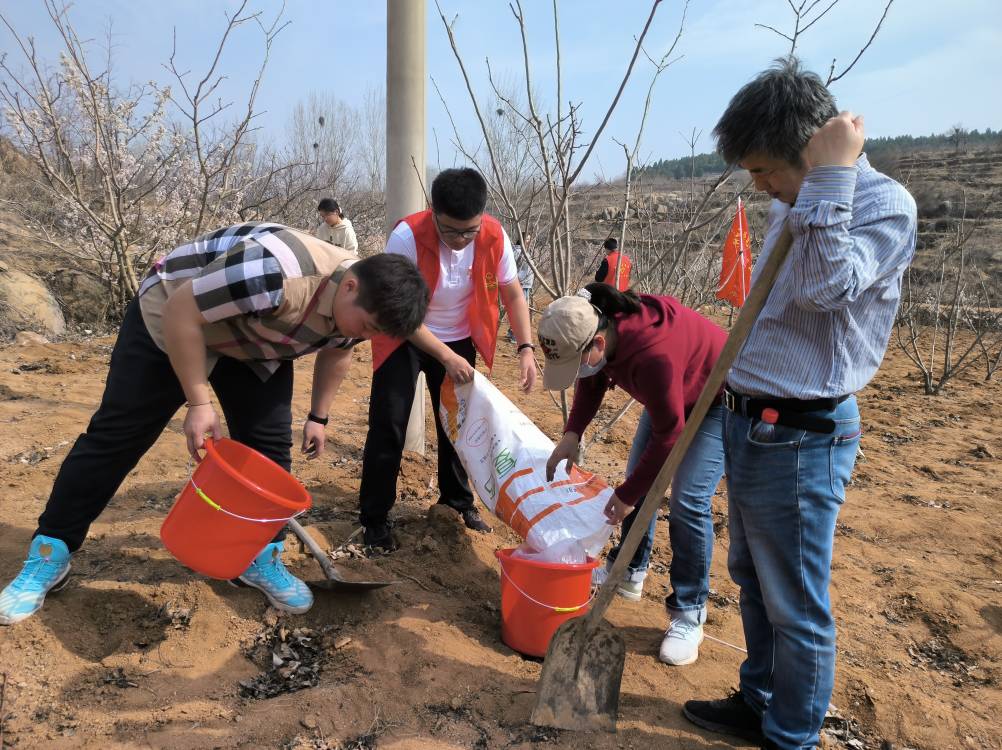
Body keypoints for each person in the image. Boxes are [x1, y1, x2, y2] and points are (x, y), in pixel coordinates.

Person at [0, 222, 429, 625]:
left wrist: (319, 416)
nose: (368, 335)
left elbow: (338, 350)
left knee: (270, 452)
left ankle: (259, 557)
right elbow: (181, 313)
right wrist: (197, 400)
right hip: (173, 318)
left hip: (253, 342)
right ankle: (50, 551)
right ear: (350, 287)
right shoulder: (273, 270)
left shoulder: (358, 309)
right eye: (368, 326)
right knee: (118, 436)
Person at [681, 58, 916, 750]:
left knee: (796, 603)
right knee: (752, 576)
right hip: (749, 422)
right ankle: (760, 701)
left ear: (809, 153)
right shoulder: (796, 205)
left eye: (764, 171)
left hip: (804, 436)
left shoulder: (880, 204)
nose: (760, 189)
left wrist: (832, 179)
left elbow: (824, 290)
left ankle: (791, 736)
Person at [538, 283, 727, 666]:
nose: (579, 372)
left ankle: (689, 613)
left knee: (688, 499)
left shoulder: (653, 356)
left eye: (576, 363)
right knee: (637, 480)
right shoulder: (601, 335)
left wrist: (628, 495)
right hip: (675, 393)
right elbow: (591, 379)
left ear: (598, 342)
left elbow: (669, 434)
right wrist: (572, 433)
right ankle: (630, 571)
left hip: (718, 398)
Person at [359, 168, 537, 550]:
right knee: (389, 422)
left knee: (457, 428)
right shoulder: (407, 236)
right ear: (433, 212)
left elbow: (513, 293)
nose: (460, 241)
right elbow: (399, 312)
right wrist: (443, 355)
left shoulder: (493, 235)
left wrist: (526, 348)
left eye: (468, 231)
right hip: (404, 335)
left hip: (458, 338)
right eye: (451, 231)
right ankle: (375, 516)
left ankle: (456, 502)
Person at [506, 231, 535, 343]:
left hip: (524, 284)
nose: (529, 241)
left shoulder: (521, 251)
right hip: (521, 285)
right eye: (527, 239)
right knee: (520, 310)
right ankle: (514, 335)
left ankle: (511, 332)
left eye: (529, 239)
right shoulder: (518, 252)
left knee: (517, 309)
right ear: (522, 240)